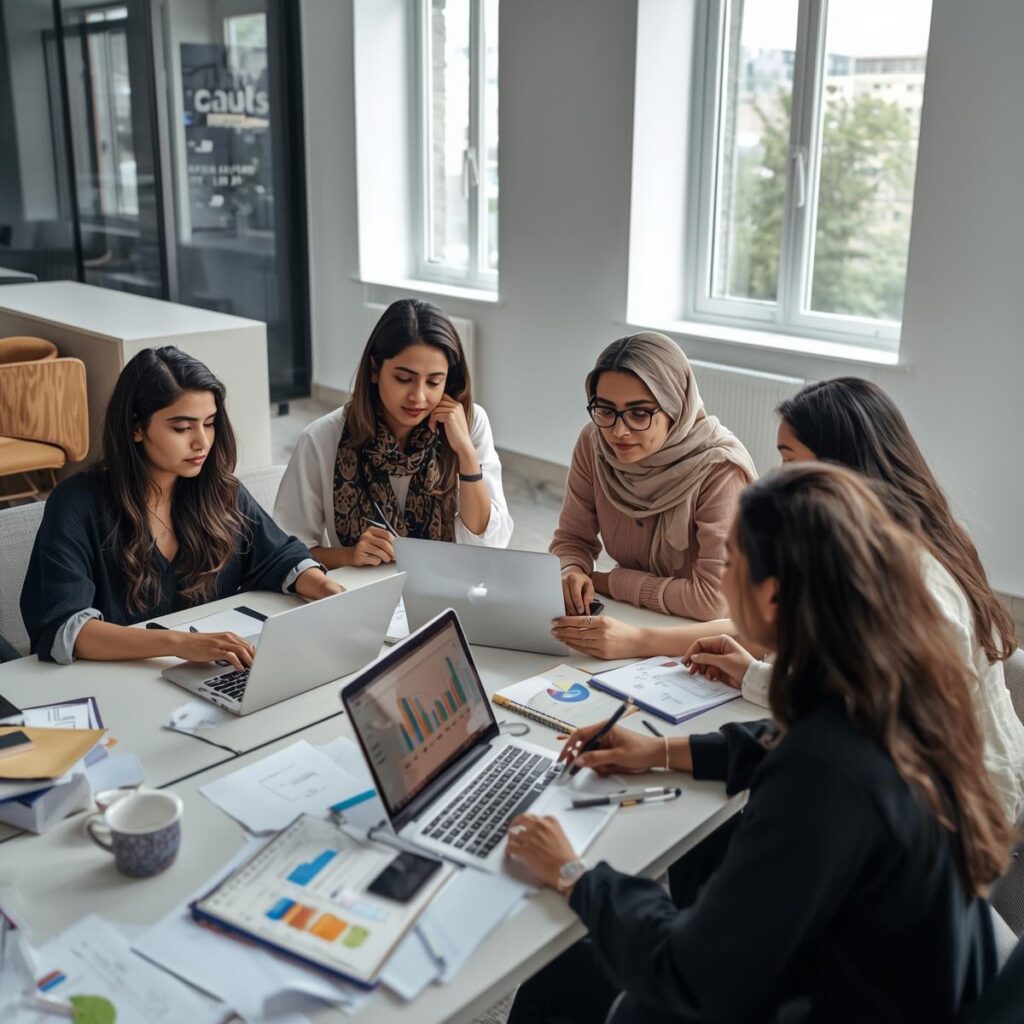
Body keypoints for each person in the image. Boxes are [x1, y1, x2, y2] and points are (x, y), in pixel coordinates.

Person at [506, 463, 1011, 1024]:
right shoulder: (894, 688)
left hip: (828, 1000)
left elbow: (687, 972)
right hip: (889, 973)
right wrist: (660, 751)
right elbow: (781, 743)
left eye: (732, 565)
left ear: (772, 597)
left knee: (558, 981)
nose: (722, 582)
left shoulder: (822, 773)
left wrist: (576, 874)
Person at [686, 378, 1024, 825]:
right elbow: (854, 694)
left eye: (789, 460)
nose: (779, 476)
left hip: (962, 807)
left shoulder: (909, 580)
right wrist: (752, 675)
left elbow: (877, 724)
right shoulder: (892, 538)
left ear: (839, 465)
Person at [20, 347, 342, 666]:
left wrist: (331, 592)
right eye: (182, 428)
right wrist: (179, 643)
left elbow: (282, 557)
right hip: (118, 686)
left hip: (209, 675)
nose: (202, 441)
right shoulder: (76, 504)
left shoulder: (220, 492)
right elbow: (65, 628)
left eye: (210, 423)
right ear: (136, 427)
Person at [274, 298, 512, 567]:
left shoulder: (469, 423)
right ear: (375, 370)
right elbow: (285, 550)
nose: (418, 396)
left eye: (434, 381)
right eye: (404, 378)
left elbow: (488, 545)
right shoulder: (321, 439)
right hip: (364, 596)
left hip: (450, 593)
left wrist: (467, 455)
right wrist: (349, 556)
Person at [550, 333, 755, 626]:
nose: (619, 431)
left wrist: (608, 581)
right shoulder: (594, 443)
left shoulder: (719, 469)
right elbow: (572, 538)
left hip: (702, 634)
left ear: (674, 406)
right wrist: (570, 570)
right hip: (633, 616)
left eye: (639, 413)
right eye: (606, 410)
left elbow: (713, 600)